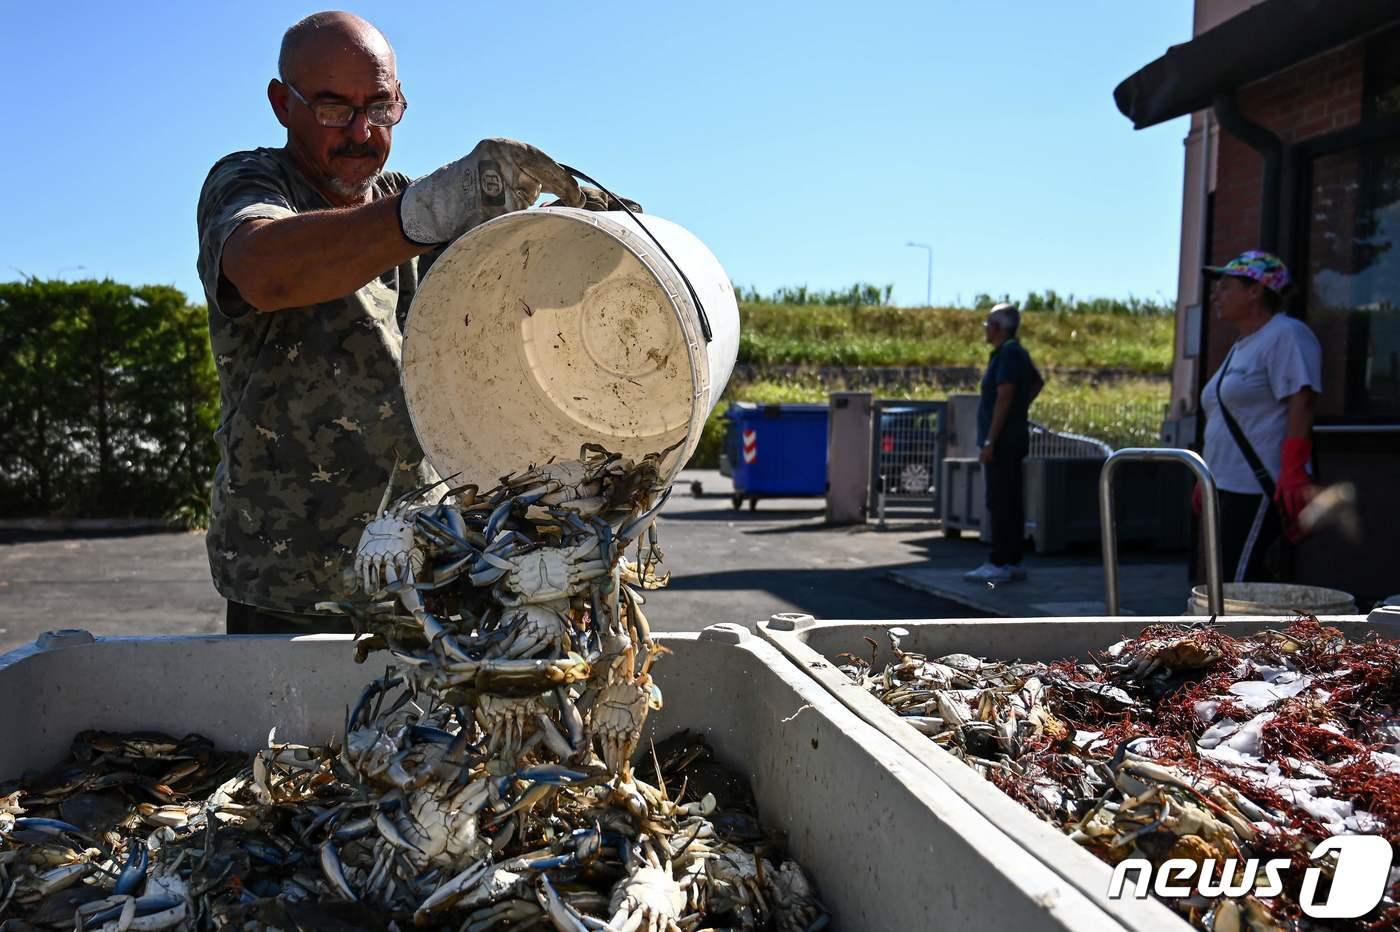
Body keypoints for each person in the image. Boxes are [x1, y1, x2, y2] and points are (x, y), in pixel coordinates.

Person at [196, 12, 592, 634]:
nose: (361, 132)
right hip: (291, 585)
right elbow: (264, 270)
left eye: (380, 108)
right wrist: (427, 211)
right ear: (281, 103)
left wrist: (581, 243)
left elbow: (519, 303)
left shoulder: (404, 198)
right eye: (333, 109)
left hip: (425, 569)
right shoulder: (251, 183)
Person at [1198, 250, 1322, 582]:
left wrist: (1294, 468)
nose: (1216, 294)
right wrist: (1206, 476)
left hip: (1256, 488)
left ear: (1255, 290)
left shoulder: (1285, 333)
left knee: (1234, 586)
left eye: (1226, 286)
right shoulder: (1243, 345)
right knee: (1224, 581)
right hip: (1225, 486)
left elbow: (1303, 397)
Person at [965, 303, 1043, 583]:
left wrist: (990, 440)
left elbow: (1005, 396)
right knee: (1011, 500)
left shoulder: (1007, 354)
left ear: (997, 327)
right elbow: (1036, 383)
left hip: (1002, 441)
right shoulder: (1017, 352)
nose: (986, 329)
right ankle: (1012, 559)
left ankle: (999, 560)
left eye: (988, 324)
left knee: (999, 501)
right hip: (1013, 438)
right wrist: (1020, 410)